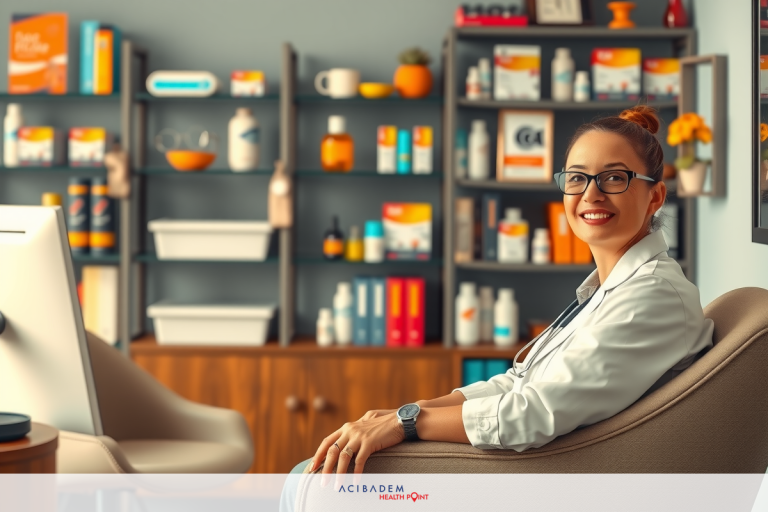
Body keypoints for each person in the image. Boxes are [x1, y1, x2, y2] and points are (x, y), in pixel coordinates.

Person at [288, 105, 714, 485]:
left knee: (307, 478)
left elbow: (532, 413)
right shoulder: (610, 289)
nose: (590, 194)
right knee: (312, 471)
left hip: (555, 475)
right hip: (540, 463)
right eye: (577, 178)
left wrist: (407, 424)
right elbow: (519, 380)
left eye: (614, 178)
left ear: (656, 196)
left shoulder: (651, 294)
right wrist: (413, 409)